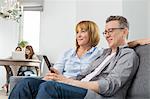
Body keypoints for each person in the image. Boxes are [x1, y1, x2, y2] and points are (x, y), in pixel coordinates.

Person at [9, 16, 141, 99]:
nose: (107, 35)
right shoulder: (105, 53)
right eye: (105, 32)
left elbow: (109, 85)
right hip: (79, 86)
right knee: (27, 83)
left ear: (124, 31)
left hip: (96, 94)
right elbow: (82, 75)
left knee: (48, 88)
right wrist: (61, 79)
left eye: (110, 31)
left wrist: (69, 82)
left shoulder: (128, 55)